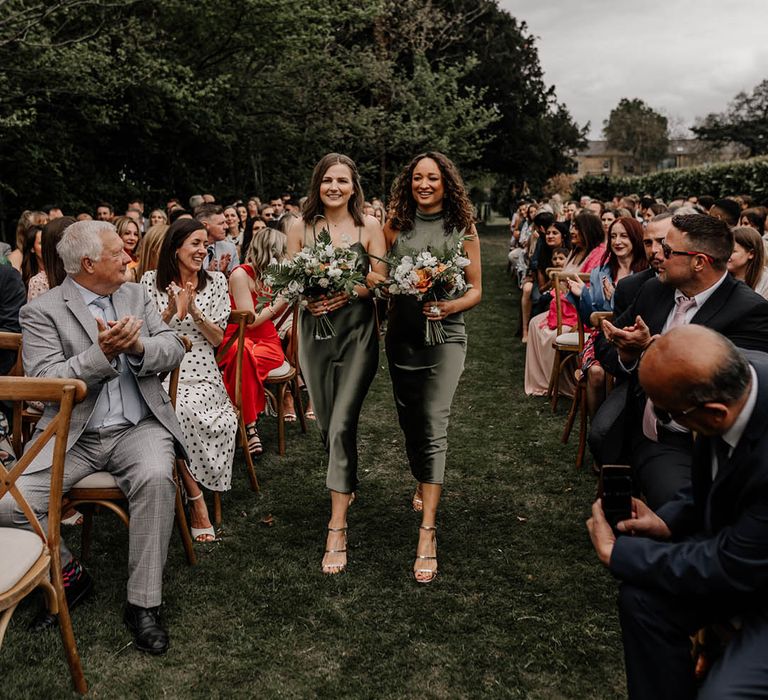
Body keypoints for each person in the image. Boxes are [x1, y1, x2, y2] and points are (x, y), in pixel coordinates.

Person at [0, 220, 187, 654]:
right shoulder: (42, 310)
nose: (128, 258)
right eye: (118, 252)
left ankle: (143, 605)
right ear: (87, 263)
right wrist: (100, 355)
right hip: (73, 436)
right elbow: (46, 379)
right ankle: (69, 574)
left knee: (157, 479)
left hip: (137, 428)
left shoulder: (137, 294)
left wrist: (138, 348)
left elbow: (174, 347)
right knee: (10, 506)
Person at [587, 325, 768, 699]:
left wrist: (618, 552)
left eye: (669, 413)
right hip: (746, 559)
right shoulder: (740, 379)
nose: (662, 418)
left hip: (748, 575)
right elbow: (719, 479)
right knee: (641, 602)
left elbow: (729, 565)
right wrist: (666, 520)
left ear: (715, 413)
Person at [597, 214, 768, 508]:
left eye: (667, 250)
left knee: (676, 502)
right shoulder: (654, 289)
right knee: (602, 435)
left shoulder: (749, 311)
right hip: (639, 414)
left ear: (698, 262)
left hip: (690, 439)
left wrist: (658, 351)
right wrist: (627, 354)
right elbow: (605, 342)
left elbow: (731, 391)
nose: (656, 254)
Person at [379, 151, 481, 583]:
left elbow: (476, 289)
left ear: (446, 183)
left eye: (432, 178)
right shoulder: (394, 225)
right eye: (418, 178)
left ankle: (427, 533)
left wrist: (448, 304)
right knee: (410, 420)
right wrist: (392, 283)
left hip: (446, 338)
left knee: (434, 420)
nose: (424, 184)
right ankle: (421, 479)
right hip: (401, 336)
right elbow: (378, 276)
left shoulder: (463, 228)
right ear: (409, 183)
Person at [286, 153, 386, 576]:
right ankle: (347, 479)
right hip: (315, 334)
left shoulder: (369, 226)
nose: (334, 187)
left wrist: (350, 292)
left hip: (357, 332)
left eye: (342, 181)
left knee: (343, 422)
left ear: (353, 185)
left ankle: (337, 527)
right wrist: (307, 293)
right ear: (317, 184)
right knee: (328, 424)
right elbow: (290, 276)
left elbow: (379, 279)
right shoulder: (299, 227)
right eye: (328, 180)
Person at [141, 218, 237, 542]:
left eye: (204, 244)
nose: (202, 250)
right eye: (195, 243)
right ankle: (196, 497)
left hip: (200, 367)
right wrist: (168, 311)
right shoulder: (149, 282)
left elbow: (217, 339)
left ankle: (187, 490)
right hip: (160, 368)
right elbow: (145, 337)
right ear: (176, 247)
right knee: (166, 408)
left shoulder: (217, 282)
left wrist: (195, 311)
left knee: (177, 410)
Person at [218, 227, 288, 457]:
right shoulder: (240, 275)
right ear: (271, 252)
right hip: (237, 336)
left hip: (266, 340)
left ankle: (239, 417)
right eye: (283, 252)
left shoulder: (276, 275)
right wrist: (278, 304)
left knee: (245, 361)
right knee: (243, 355)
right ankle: (250, 425)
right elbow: (250, 321)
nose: (286, 257)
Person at [728, 225, 768, 298]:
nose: (726, 255)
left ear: (751, 254)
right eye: (725, 250)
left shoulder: (765, 281)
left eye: (733, 251)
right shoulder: (719, 275)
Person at [114, 215, 141, 282]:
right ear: (117, 234)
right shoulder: (112, 261)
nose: (132, 238)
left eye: (136, 234)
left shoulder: (141, 260)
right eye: (127, 233)